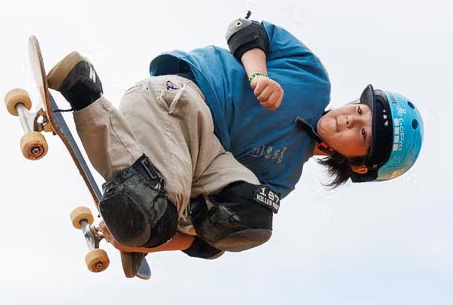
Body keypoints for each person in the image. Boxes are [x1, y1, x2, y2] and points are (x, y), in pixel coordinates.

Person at [46, 15, 423, 276]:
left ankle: (143, 218)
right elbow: (245, 30)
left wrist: (149, 241)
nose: (348, 119)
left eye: (361, 133)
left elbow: (211, 238)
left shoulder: (283, 177)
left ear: (358, 165)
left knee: (249, 220)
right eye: (359, 110)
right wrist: (258, 74)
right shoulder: (312, 78)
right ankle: (85, 94)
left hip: (199, 156)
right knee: (154, 207)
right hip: (177, 103)